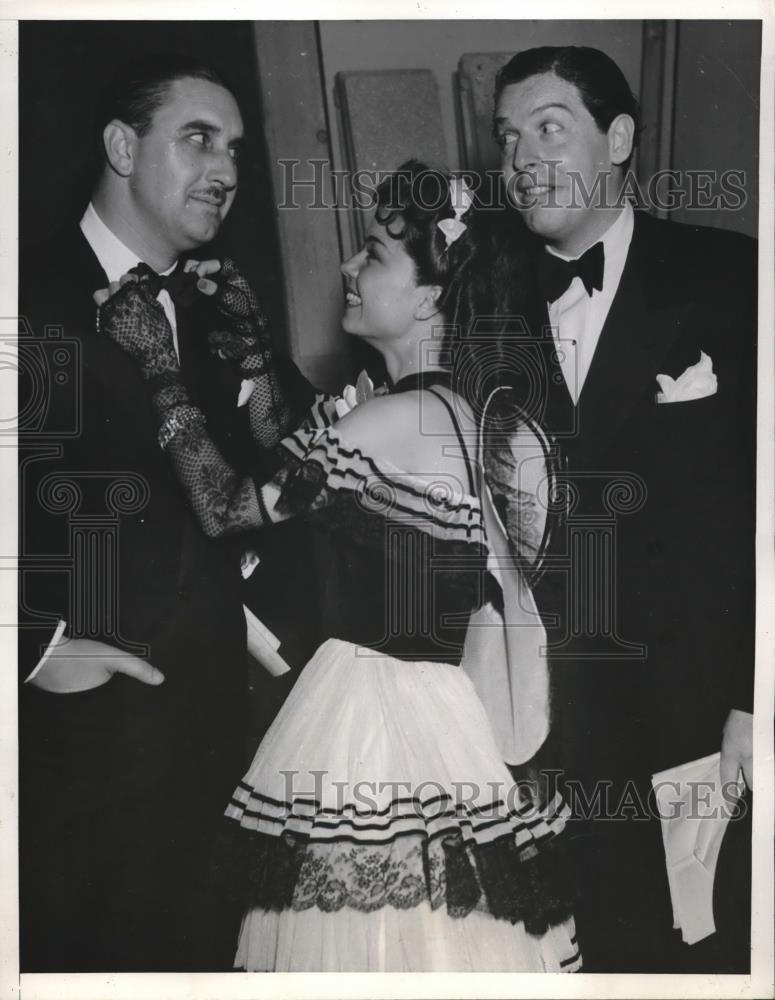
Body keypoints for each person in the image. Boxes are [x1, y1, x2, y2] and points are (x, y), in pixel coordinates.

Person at [98, 160, 582, 972]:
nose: (349, 270)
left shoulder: (387, 421)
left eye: (373, 255)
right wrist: (254, 349)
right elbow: (294, 455)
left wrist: (157, 367)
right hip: (452, 728)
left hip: (371, 729)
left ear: (431, 296)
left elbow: (226, 507)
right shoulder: (478, 421)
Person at [18, 52, 311, 971]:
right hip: (71, 751)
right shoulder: (22, 292)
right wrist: (29, 648)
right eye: (197, 140)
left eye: (234, 149)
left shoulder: (220, 301)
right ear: (119, 144)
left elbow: (290, 470)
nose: (224, 169)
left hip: (222, 729)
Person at [489, 45, 756, 971]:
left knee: (713, 951)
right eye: (507, 138)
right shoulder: (485, 311)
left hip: (704, 718)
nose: (523, 159)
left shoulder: (732, 280)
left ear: (618, 139)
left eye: (549, 129)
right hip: (558, 726)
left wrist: (752, 703)